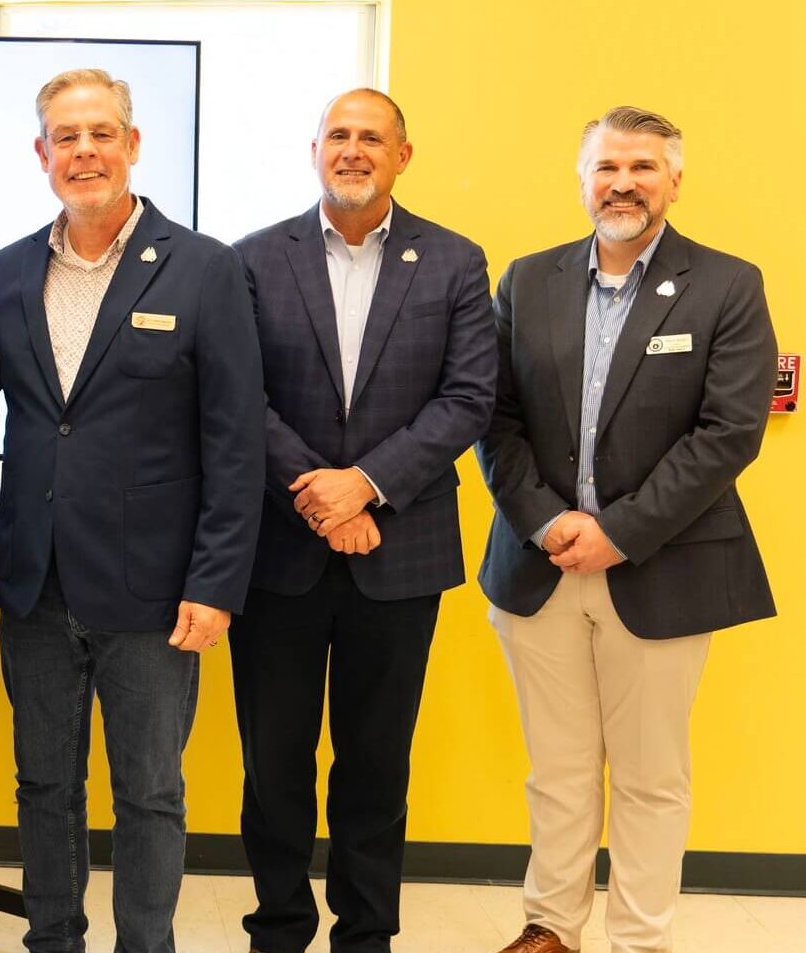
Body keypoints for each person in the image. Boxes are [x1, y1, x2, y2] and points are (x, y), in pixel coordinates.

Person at [476, 106, 777, 953]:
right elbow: (493, 419)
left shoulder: (727, 283)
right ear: (582, 181)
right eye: (608, 167)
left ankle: (639, 940)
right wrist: (544, 522)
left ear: (675, 181)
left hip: (663, 567)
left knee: (650, 778)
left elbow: (729, 433)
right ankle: (551, 927)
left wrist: (620, 533)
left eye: (644, 167)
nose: (624, 183)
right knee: (559, 770)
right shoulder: (527, 281)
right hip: (538, 567)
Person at [0, 67, 264, 953]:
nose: (85, 152)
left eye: (101, 133)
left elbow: (234, 441)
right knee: (42, 787)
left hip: (155, 593)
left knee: (149, 792)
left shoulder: (204, 268)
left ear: (134, 145)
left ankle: (147, 945)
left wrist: (217, 582)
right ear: (41, 155)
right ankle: (53, 940)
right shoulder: (9, 270)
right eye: (65, 138)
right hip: (36, 583)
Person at [226, 88, 498, 953]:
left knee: (376, 764)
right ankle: (278, 925)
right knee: (275, 764)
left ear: (402, 156)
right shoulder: (252, 260)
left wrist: (369, 485)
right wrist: (318, 489)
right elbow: (238, 399)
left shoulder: (454, 262)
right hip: (282, 548)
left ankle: (367, 933)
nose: (353, 150)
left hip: (401, 548)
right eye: (338, 135)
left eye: (370, 137)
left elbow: (468, 398)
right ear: (313, 150)